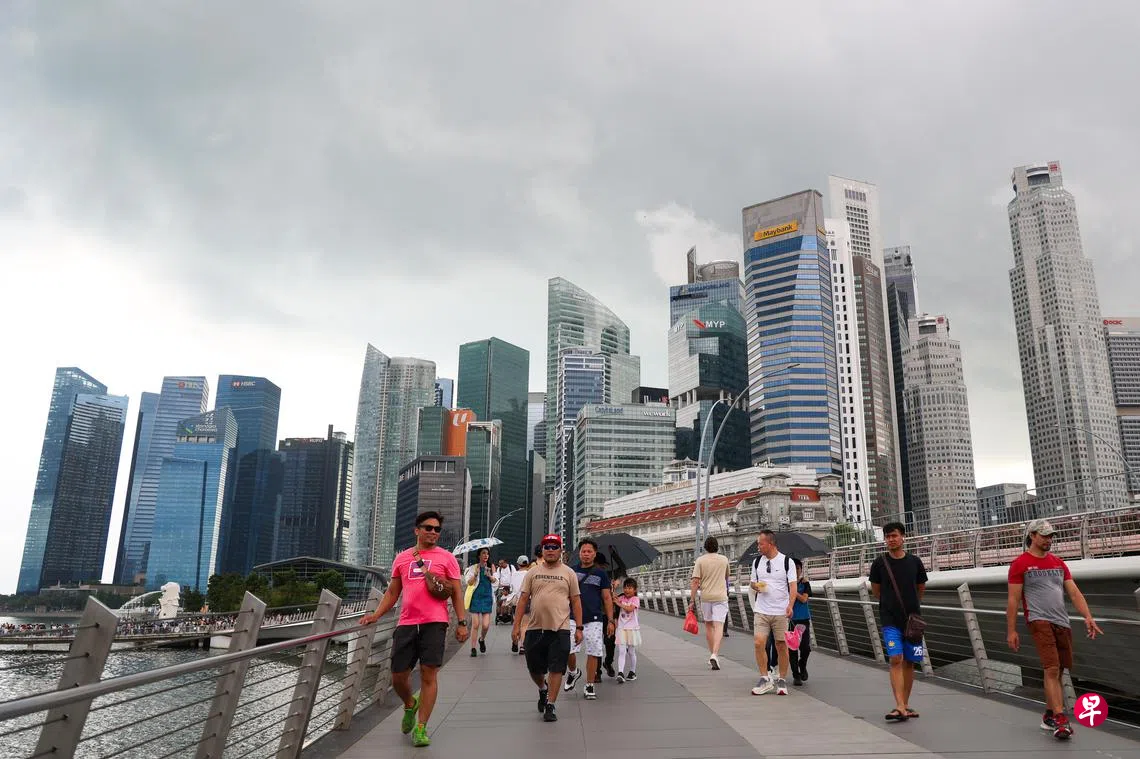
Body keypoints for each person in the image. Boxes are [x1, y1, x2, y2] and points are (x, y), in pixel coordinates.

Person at [360, 511, 466, 748]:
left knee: (429, 675)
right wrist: (376, 615)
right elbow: (392, 592)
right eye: (428, 528)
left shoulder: (447, 558)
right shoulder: (402, 558)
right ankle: (410, 703)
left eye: (437, 529)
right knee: (398, 676)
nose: (433, 532)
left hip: (435, 623)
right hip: (406, 623)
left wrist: (461, 622)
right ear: (417, 530)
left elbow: (457, 593)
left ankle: (421, 728)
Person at [1007, 518, 1103, 739]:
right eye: (1044, 536)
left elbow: (1074, 593)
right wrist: (1011, 630)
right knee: (1051, 667)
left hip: (1062, 622)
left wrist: (1088, 617)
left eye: (1051, 536)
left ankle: (1049, 715)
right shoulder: (1020, 564)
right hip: (1039, 621)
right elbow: (1013, 600)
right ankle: (1060, 719)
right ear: (1032, 536)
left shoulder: (1058, 563)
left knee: (1059, 670)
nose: (1048, 540)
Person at [512, 534, 583, 723]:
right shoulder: (532, 573)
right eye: (547, 547)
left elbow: (576, 601)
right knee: (534, 667)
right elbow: (523, 599)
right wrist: (516, 626)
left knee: (557, 668)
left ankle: (550, 704)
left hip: (561, 628)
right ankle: (543, 689)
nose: (550, 550)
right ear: (542, 551)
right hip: (535, 627)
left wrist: (579, 627)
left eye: (554, 547)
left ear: (560, 550)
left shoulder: (569, 573)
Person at [868, 521, 928, 723]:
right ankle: (899, 705)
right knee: (895, 658)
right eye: (888, 536)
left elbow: (920, 588)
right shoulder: (879, 563)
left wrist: (912, 606)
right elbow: (876, 591)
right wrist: (889, 605)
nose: (891, 540)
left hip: (912, 620)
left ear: (903, 537)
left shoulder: (915, 562)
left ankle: (905, 705)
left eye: (894, 536)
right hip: (889, 619)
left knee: (910, 661)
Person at [564, 539, 614, 700]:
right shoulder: (571, 571)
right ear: (579, 553)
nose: (586, 554)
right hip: (572, 616)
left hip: (594, 618)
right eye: (583, 551)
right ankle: (573, 672)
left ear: (594, 553)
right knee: (568, 649)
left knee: (593, 651)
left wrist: (611, 620)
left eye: (589, 551)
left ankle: (590, 684)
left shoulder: (601, 574)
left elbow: (607, 598)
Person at [749, 530, 796, 696]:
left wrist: (790, 605)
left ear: (770, 544)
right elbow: (752, 582)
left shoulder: (787, 562)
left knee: (781, 645)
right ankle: (765, 678)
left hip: (780, 611)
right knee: (758, 643)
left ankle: (781, 680)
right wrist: (756, 586)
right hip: (761, 609)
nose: (758, 547)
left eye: (760, 544)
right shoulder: (756, 562)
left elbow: (792, 586)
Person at [690, 535, 731, 670]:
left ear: (705, 548)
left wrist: (692, 600)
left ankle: (712, 654)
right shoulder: (724, 559)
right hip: (720, 596)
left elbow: (695, 581)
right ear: (717, 547)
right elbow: (726, 576)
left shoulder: (700, 560)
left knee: (708, 625)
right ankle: (715, 654)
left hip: (706, 597)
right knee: (719, 625)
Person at [464, 547, 497, 655]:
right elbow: (469, 582)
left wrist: (490, 576)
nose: (486, 555)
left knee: (486, 625)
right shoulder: (473, 568)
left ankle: (481, 639)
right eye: (483, 553)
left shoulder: (491, 567)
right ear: (479, 555)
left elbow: (496, 582)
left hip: (487, 597)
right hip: (476, 597)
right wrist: (475, 574)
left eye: (487, 553)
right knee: (476, 624)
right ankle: (473, 648)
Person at [789, 558, 813, 686]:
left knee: (805, 648)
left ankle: (802, 664)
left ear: (801, 570)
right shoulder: (785, 584)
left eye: (798, 568)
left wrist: (794, 591)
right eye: (793, 568)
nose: (796, 571)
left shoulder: (805, 584)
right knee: (792, 649)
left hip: (803, 619)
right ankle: (796, 675)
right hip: (790, 620)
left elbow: (804, 599)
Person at [615, 577, 641, 682]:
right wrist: (613, 587)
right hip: (622, 628)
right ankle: (620, 673)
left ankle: (632, 672)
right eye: (625, 588)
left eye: (630, 588)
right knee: (622, 651)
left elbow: (630, 609)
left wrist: (619, 603)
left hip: (632, 629)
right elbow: (613, 598)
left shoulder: (635, 599)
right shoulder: (621, 598)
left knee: (631, 652)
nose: (627, 590)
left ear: (635, 590)